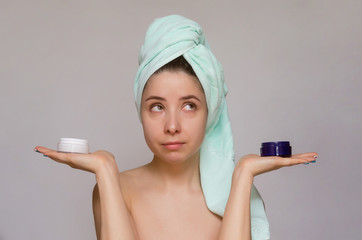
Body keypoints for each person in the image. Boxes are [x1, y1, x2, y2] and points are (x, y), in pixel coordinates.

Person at [34, 15, 318, 240]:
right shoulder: (115, 189)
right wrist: (105, 168)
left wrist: (243, 174)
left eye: (189, 105)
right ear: (140, 111)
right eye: (157, 106)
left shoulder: (234, 194)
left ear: (211, 111)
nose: (172, 125)